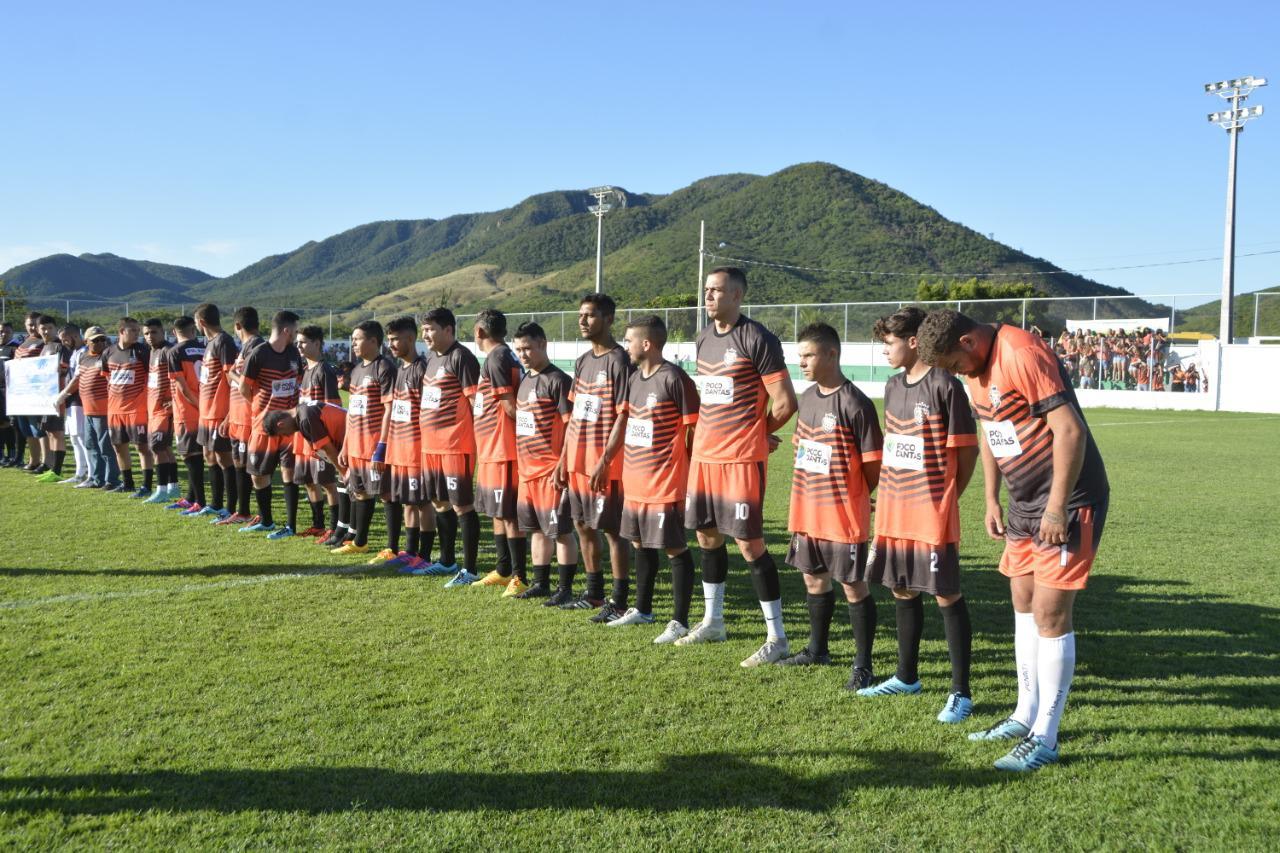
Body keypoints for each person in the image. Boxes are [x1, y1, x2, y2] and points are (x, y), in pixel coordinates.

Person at [918, 310, 1109, 773]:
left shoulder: (1021, 352)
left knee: (1050, 612)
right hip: (1022, 504)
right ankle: (1025, 713)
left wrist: (1056, 507)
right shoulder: (975, 370)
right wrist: (991, 497)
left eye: (952, 364)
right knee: (1023, 602)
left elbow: (1070, 430)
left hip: (1066, 500)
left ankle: (1046, 737)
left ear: (968, 341)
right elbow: (992, 431)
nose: (954, 374)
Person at [858, 309, 979, 725]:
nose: (885, 351)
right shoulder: (892, 386)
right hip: (894, 508)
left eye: (889, 343)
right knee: (902, 589)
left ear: (913, 341)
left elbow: (967, 450)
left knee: (946, 594)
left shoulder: (946, 385)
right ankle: (906, 677)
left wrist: (947, 497)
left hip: (931, 511)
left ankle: (961, 693)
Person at [678, 267, 799, 667]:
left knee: (749, 544)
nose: (708, 296)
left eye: (717, 290)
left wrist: (758, 433)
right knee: (707, 536)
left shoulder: (757, 338)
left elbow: (785, 402)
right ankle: (713, 622)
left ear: (737, 296)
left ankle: (777, 638)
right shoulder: (703, 338)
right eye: (706, 290)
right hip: (704, 457)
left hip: (741, 460)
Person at [777, 322, 884, 682]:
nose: (802, 362)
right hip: (807, 509)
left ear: (832, 354)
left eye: (808, 355)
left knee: (853, 585)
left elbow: (872, 465)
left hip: (843, 513)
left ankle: (863, 664)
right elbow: (802, 448)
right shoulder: (807, 398)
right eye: (800, 356)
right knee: (813, 580)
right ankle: (817, 650)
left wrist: (858, 494)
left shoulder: (855, 403)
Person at [610, 315, 700, 641]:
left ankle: (680, 621)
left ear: (646, 344)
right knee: (639, 542)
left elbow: (696, 427)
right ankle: (643, 609)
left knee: (674, 547)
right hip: (635, 479)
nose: (626, 346)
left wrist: (686, 466)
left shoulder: (674, 378)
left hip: (665, 480)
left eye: (629, 340)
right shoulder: (634, 379)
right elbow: (627, 423)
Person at [557, 293, 634, 621]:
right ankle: (593, 594)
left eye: (589, 315)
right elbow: (576, 414)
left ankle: (619, 601)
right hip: (577, 460)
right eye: (580, 315)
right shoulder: (583, 361)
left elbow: (624, 415)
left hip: (605, 464)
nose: (582, 321)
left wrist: (605, 460)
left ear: (608, 319)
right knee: (581, 524)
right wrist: (564, 458)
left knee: (613, 531)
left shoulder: (620, 361)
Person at [510, 322, 578, 600]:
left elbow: (572, 427)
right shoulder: (525, 380)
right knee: (536, 530)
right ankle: (541, 583)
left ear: (543, 344)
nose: (522, 354)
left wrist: (563, 463)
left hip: (551, 471)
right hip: (527, 473)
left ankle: (565, 589)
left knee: (560, 531)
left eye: (527, 348)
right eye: (518, 350)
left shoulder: (558, 380)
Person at [462, 308, 525, 589]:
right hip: (492, 447)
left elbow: (510, 406)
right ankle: (503, 569)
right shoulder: (500, 356)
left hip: (503, 447)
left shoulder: (498, 357)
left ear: (479, 331)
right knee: (498, 512)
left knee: (509, 514)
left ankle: (519, 576)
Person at [417, 308, 482, 577]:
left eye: (430, 329)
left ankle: (470, 569)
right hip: (430, 446)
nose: (425, 335)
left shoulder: (462, 357)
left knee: (462, 505)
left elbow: (476, 402)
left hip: (456, 444)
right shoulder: (432, 359)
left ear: (448, 330)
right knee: (439, 502)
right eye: (423, 329)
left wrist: (481, 440)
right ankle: (447, 561)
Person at [234, 310, 302, 534]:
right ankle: (267, 521)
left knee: (289, 473)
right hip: (263, 425)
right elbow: (244, 387)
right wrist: (261, 408)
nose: (296, 335)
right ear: (286, 330)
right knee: (258, 475)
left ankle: (290, 525)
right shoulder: (259, 353)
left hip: (290, 426)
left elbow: (298, 381)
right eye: (294, 331)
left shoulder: (293, 353)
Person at [372, 315, 433, 569]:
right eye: (389, 339)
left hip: (417, 449)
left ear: (410, 338)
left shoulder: (422, 369)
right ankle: (409, 551)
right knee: (408, 501)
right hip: (400, 450)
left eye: (395, 339)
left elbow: (429, 413)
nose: (391, 344)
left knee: (423, 502)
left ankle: (425, 555)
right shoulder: (400, 370)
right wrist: (385, 446)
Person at [334, 320, 396, 555]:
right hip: (355, 445)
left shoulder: (385, 368)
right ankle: (360, 542)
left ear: (373, 341)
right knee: (360, 492)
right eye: (352, 339)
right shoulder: (357, 370)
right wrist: (345, 446)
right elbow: (352, 411)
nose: (353, 343)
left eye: (357, 339)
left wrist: (382, 445)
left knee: (386, 495)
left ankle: (392, 548)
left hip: (374, 445)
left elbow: (389, 409)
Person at [293, 325, 344, 544]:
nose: (299, 346)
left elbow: (332, 409)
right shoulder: (306, 370)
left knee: (327, 483)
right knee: (308, 481)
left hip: (321, 438)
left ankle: (334, 528)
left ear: (317, 343)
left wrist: (328, 443)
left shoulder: (325, 371)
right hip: (305, 437)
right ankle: (318, 524)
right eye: (297, 342)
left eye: (303, 342)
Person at [216, 307, 265, 526]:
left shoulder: (256, 347)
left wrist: (232, 374)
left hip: (247, 416)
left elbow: (248, 384)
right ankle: (240, 511)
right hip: (236, 416)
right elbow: (237, 384)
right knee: (238, 463)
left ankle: (248, 512)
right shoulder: (245, 347)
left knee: (247, 466)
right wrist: (228, 416)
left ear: (237, 326)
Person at [191, 303, 239, 520]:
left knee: (224, 458)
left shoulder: (224, 341)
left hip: (220, 411)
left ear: (201, 322)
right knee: (209, 455)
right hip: (206, 412)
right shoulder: (210, 342)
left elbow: (231, 378)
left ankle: (230, 507)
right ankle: (215, 503)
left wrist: (229, 414)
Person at [55, 326, 116, 488]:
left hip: (104, 409)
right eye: (96, 340)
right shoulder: (83, 357)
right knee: (91, 445)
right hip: (87, 408)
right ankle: (96, 478)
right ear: (86, 341)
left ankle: (112, 480)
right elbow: (76, 379)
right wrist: (63, 395)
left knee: (106, 447)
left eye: (103, 339)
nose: (100, 342)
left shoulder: (109, 356)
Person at [100, 317, 154, 496]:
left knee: (142, 447)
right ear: (122, 331)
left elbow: (151, 376)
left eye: (138, 331)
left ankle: (146, 486)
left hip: (137, 408)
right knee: (119, 446)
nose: (138, 334)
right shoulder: (108, 352)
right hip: (114, 409)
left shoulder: (142, 351)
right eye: (133, 330)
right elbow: (107, 377)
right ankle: (128, 483)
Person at [164, 317, 206, 511]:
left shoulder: (175, 351)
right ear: (193, 330)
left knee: (191, 456)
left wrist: (198, 406)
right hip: (207, 408)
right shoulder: (205, 348)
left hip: (188, 410)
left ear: (174, 332)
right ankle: (191, 497)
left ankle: (199, 501)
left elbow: (182, 387)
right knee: (197, 455)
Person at [139, 319, 180, 502]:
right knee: (164, 447)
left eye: (154, 332)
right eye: (146, 333)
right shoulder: (152, 351)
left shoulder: (168, 351)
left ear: (163, 332)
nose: (150, 336)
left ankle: (161, 490)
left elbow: (178, 378)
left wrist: (174, 401)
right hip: (154, 408)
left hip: (165, 409)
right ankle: (173, 487)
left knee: (157, 447)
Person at [33, 315, 71, 483]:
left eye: (50, 328)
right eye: (43, 328)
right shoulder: (44, 347)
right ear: (38, 330)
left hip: (57, 396)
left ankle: (57, 470)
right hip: (45, 396)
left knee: (57, 433)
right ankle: (52, 469)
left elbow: (65, 369)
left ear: (56, 328)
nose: (47, 331)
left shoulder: (60, 346)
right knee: (49, 432)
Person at [56, 324, 89, 485]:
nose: (63, 343)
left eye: (65, 339)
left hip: (79, 399)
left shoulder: (84, 352)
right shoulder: (75, 352)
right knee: (74, 438)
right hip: (71, 399)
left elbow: (77, 378)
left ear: (75, 336)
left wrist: (63, 394)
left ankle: (90, 473)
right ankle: (80, 472)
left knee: (81, 437)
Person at [13, 312, 47, 471]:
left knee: (38, 429)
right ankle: (34, 460)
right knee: (26, 429)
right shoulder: (23, 343)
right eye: (30, 324)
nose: (33, 327)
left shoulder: (45, 342)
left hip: (37, 393)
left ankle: (46, 462)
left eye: (35, 324)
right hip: (21, 393)